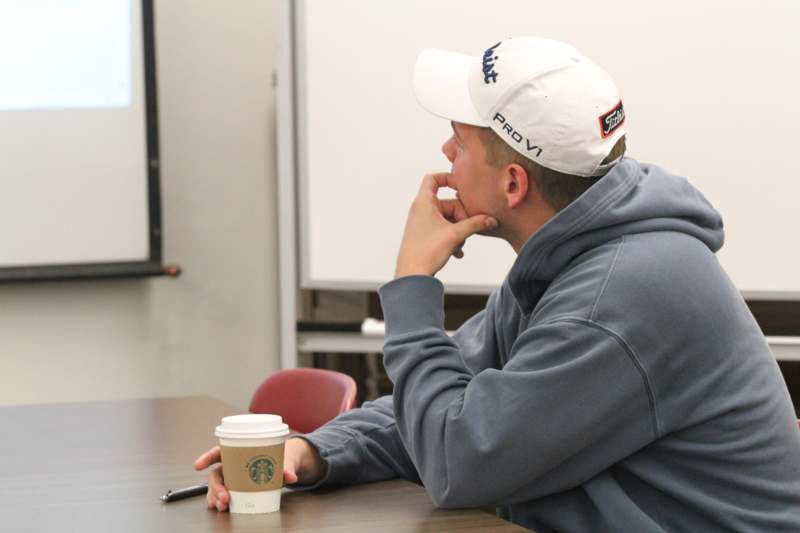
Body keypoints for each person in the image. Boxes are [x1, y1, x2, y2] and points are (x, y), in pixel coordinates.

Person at [195, 37, 800, 532]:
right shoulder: (573, 257)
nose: (444, 150)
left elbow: (460, 460)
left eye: (461, 140)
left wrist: (411, 284)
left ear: (513, 185)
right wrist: (315, 451)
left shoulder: (617, 296)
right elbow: (449, 406)